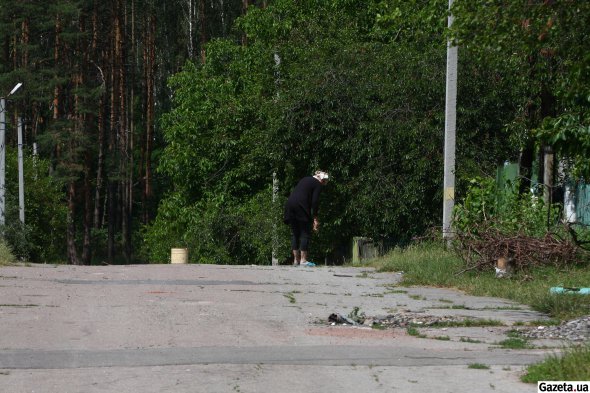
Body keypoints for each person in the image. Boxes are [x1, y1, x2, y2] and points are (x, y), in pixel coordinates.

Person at [284, 170, 329, 266]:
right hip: (301, 206)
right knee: (305, 233)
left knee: (295, 233)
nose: (324, 183)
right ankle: (303, 261)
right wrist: (315, 217)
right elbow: (315, 201)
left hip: (290, 204)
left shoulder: (305, 179)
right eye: (324, 181)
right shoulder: (318, 184)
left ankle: (296, 261)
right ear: (321, 179)